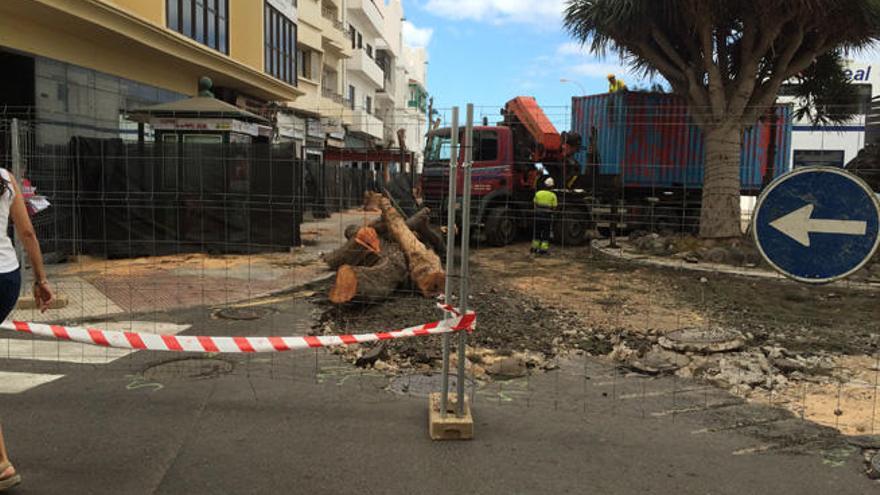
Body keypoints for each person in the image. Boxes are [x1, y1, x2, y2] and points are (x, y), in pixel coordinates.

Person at [0, 167, 54, 492]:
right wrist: (42, 280)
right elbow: (27, 233)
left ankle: (2, 463)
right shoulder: (5, 178)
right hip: (7, 278)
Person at [531, 176, 558, 256]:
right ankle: (543, 250)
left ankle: (534, 248)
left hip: (538, 216)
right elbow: (554, 207)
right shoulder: (553, 195)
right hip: (547, 217)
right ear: (552, 186)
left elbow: (534, 204)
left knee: (537, 232)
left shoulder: (538, 193)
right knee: (546, 233)